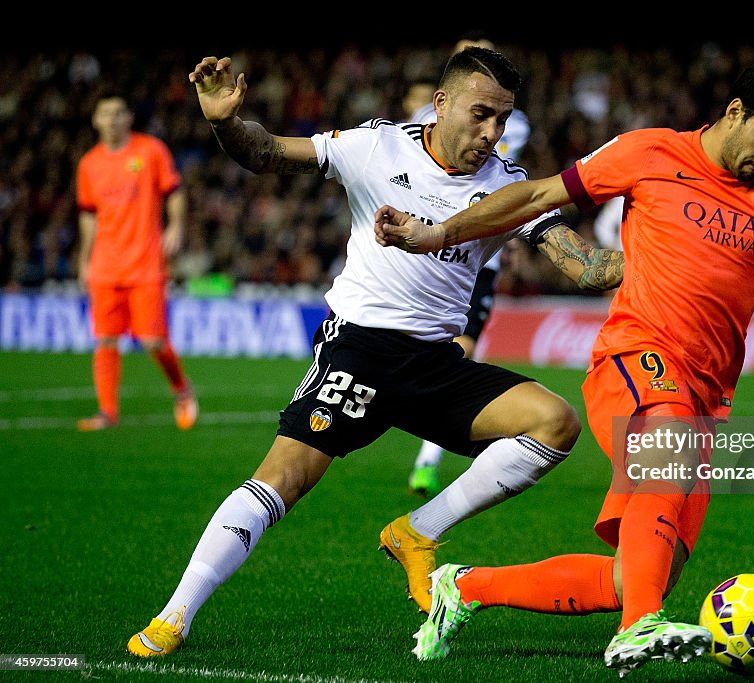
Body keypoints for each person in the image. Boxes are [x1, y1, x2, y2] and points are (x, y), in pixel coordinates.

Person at [126, 47, 624, 658]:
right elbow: (268, 154)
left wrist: (667, 252)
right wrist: (226, 121)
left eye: (503, 119)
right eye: (481, 114)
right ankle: (175, 615)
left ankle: (418, 531)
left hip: (436, 364)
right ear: (440, 105)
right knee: (282, 479)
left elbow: (589, 267)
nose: (491, 133)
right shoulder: (377, 147)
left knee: (554, 422)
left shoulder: (507, 184)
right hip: (359, 350)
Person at [375, 58, 754, 676]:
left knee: (638, 578)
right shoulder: (650, 152)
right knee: (666, 455)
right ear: (735, 113)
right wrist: (438, 232)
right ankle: (638, 630)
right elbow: (539, 194)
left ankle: (463, 590)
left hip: (709, 396)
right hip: (638, 358)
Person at [403, 31, 534, 499]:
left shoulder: (510, 125)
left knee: (463, 346)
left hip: (479, 249)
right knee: (439, 346)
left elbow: (502, 176)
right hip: (429, 247)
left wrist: (512, 231)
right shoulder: (424, 119)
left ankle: (428, 458)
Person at [75, 93, 198, 432]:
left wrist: (174, 226)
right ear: (95, 120)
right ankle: (107, 413)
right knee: (105, 339)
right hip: (105, 264)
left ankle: (182, 389)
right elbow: (88, 216)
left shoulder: (150, 151)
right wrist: (84, 260)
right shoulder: (89, 164)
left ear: (129, 117)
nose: (112, 120)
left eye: (118, 113)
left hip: (145, 263)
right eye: (105, 114)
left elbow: (174, 191)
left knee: (153, 342)